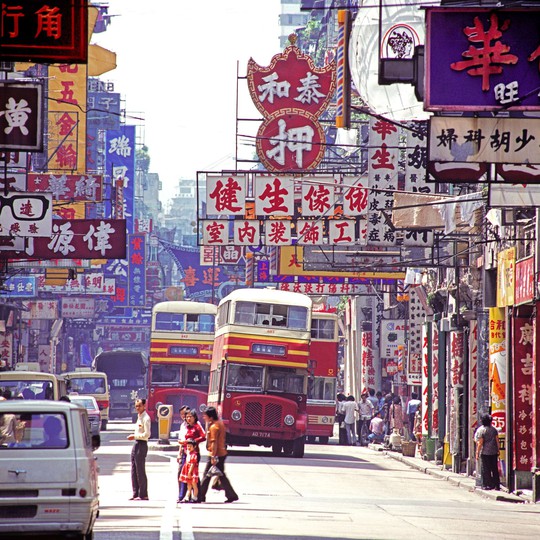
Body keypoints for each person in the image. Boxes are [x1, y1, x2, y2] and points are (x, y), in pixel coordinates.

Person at [198, 406, 239, 503]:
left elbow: (214, 442)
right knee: (221, 475)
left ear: (211, 417)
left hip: (216, 454)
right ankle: (231, 495)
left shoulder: (214, 427)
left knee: (206, 475)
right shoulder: (219, 423)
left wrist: (213, 456)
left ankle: (200, 496)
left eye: (205, 416)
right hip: (221, 453)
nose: (204, 417)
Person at [127, 398, 151, 501]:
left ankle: (143, 494)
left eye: (139, 406)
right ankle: (135, 493)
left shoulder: (146, 418)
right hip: (136, 443)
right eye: (136, 406)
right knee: (134, 469)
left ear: (144, 406)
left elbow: (147, 434)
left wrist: (135, 436)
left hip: (142, 444)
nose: (137, 408)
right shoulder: (139, 417)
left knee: (140, 470)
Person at [474, 414, 500, 491]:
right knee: (494, 469)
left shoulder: (481, 430)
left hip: (485, 452)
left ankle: (486, 485)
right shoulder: (494, 430)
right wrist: (498, 450)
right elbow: (497, 441)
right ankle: (496, 485)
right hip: (494, 452)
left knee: (485, 469)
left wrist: (477, 452)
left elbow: (480, 443)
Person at [176, 405, 190, 503]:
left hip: (192, 454)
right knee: (181, 474)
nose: (183, 416)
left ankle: (187, 496)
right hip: (184, 452)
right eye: (181, 414)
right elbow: (181, 441)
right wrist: (179, 454)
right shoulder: (183, 426)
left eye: (185, 414)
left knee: (191, 476)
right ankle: (181, 495)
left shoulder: (195, 424)